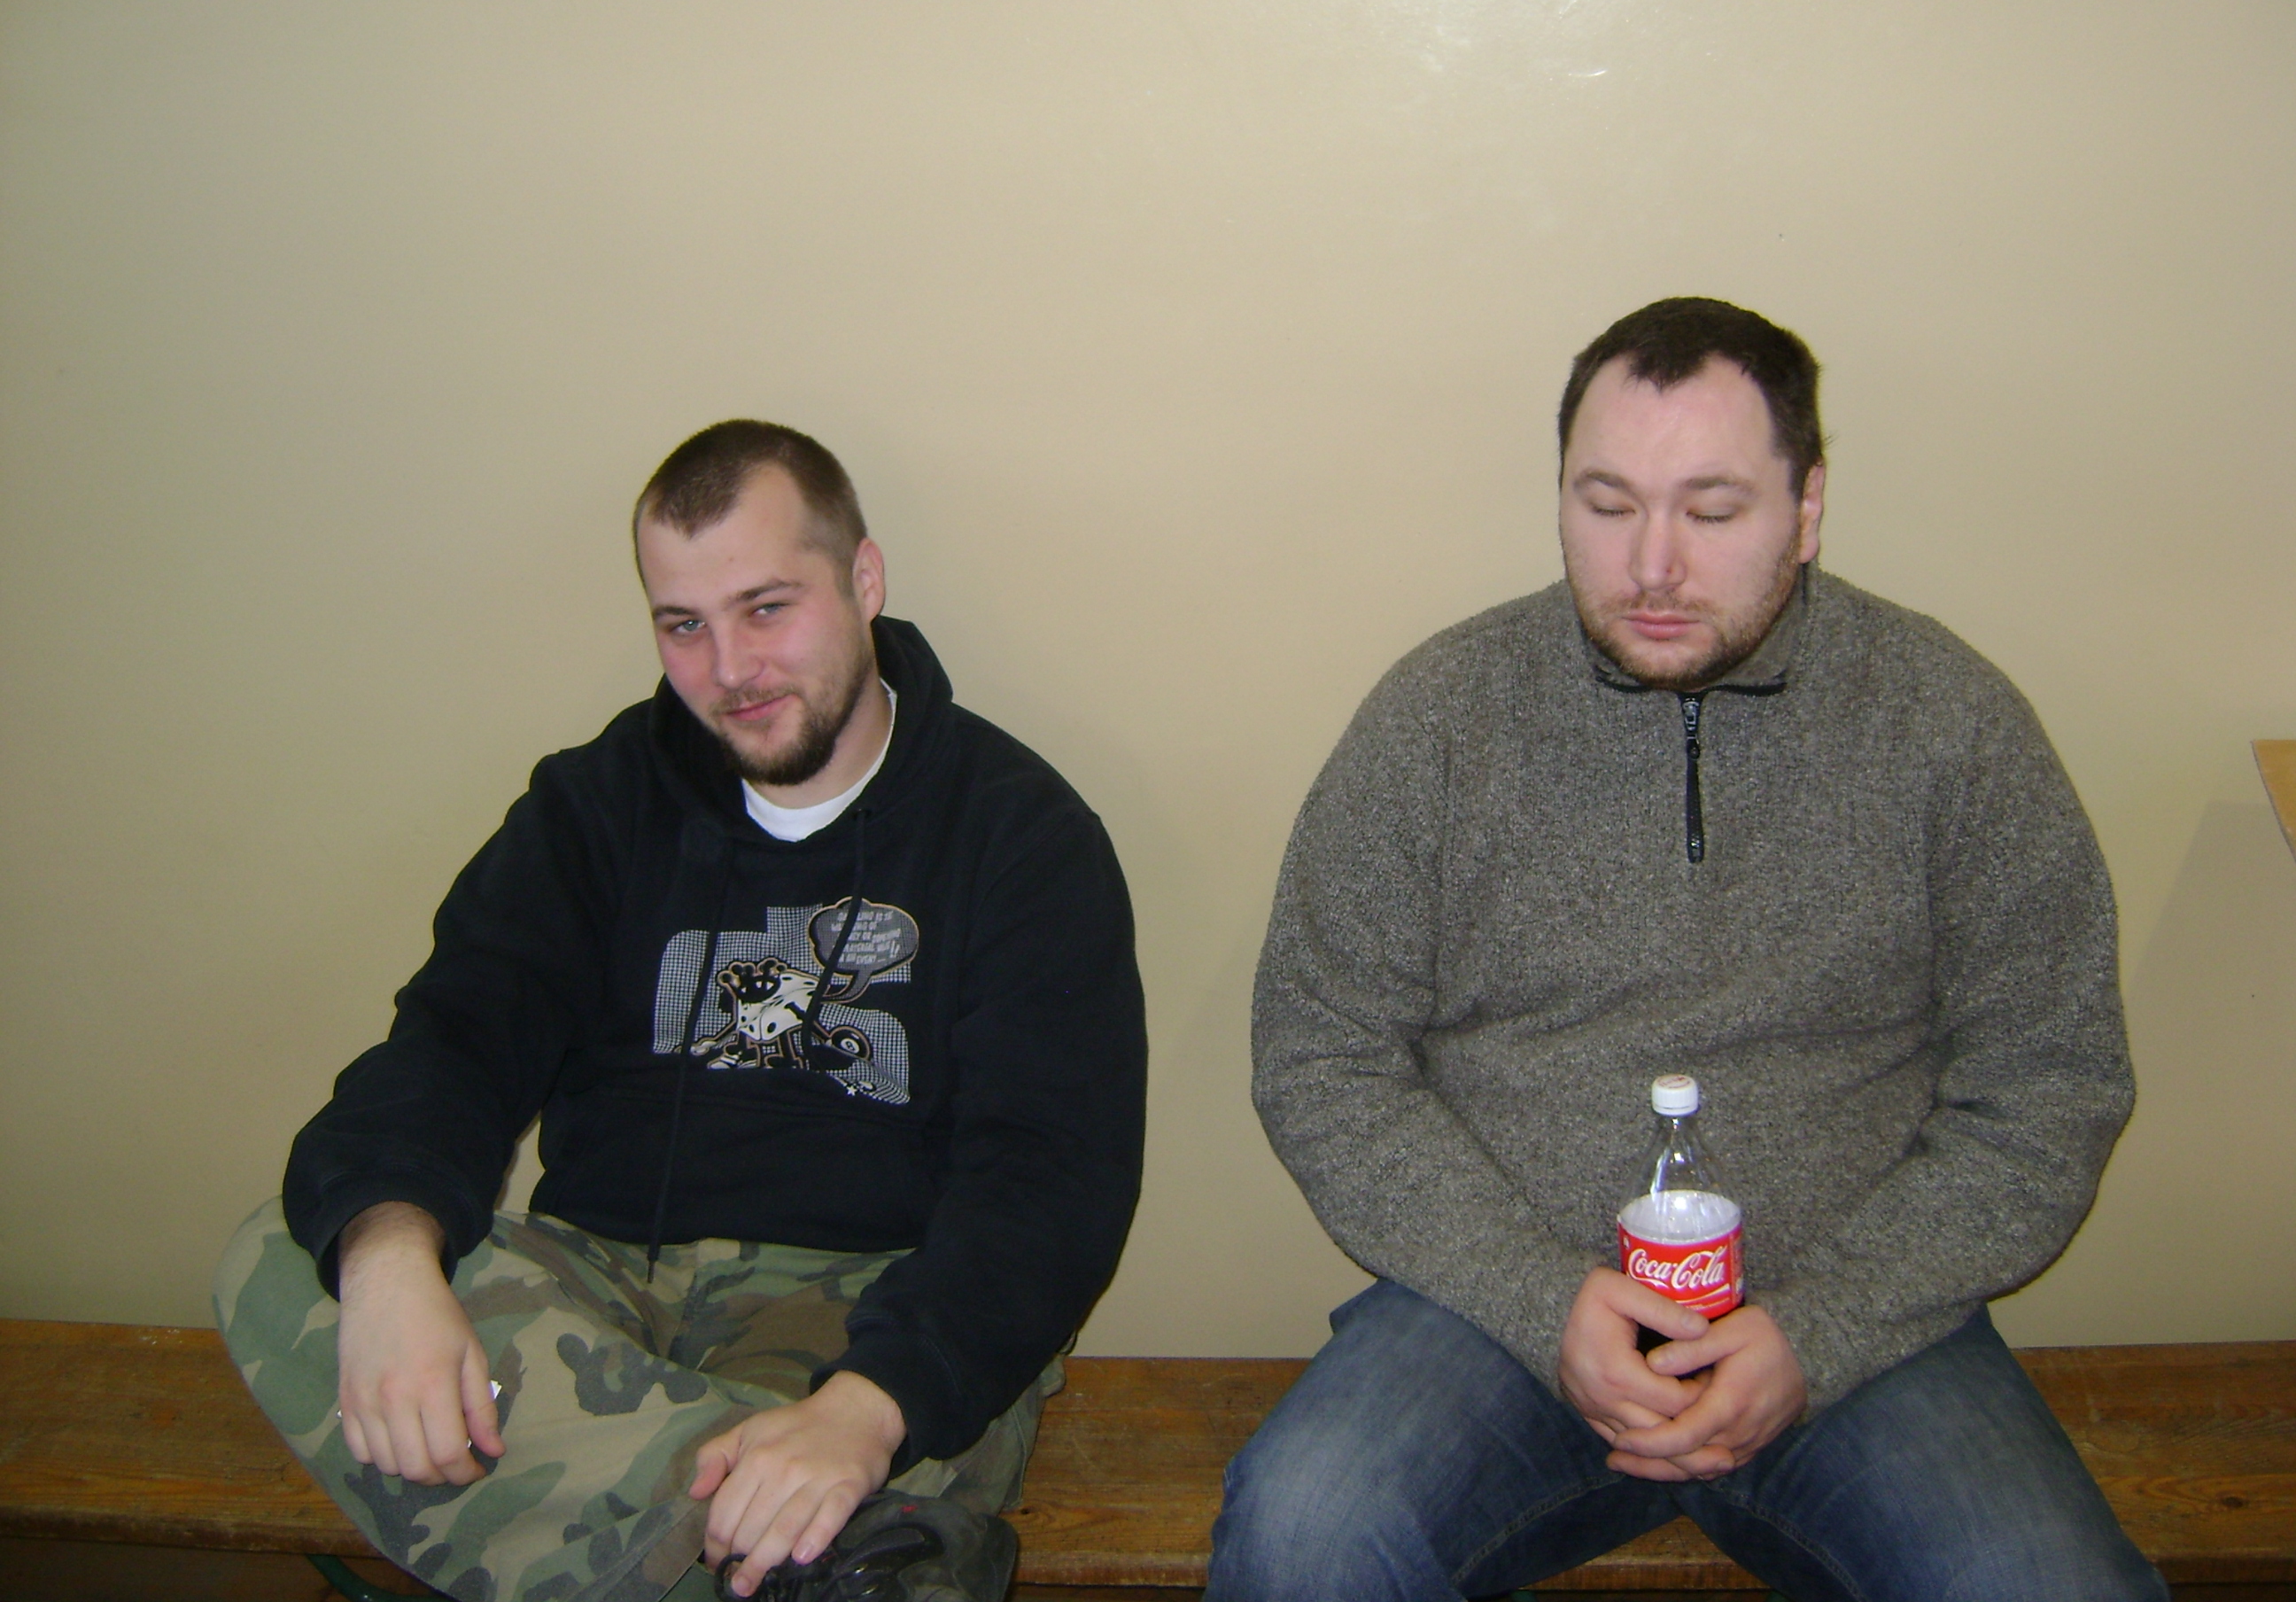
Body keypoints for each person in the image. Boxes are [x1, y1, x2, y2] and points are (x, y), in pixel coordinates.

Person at [1211, 299, 2162, 1601]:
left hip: (1858, 1329)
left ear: (1807, 510)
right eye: (1607, 505)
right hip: (1500, 1321)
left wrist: (1821, 1334)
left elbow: (2051, 1084)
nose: (1653, 565)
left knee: (2047, 1585)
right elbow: (1321, 1055)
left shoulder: (1951, 723)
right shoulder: (1440, 717)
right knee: (1303, 1530)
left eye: (1712, 512)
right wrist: (1542, 1302)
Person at [216, 421, 1147, 1602]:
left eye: (767, 608)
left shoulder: (1020, 833)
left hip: (870, 1306)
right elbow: (456, 1038)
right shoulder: (597, 803)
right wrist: (393, 1262)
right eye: (684, 625)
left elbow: (1051, 1179)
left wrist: (864, 1413)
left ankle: (750, 1515)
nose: (730, 670)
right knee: (293, 1254)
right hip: (598, 1282)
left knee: (886, 1424)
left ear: (863, 581)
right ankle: (832, 1554)